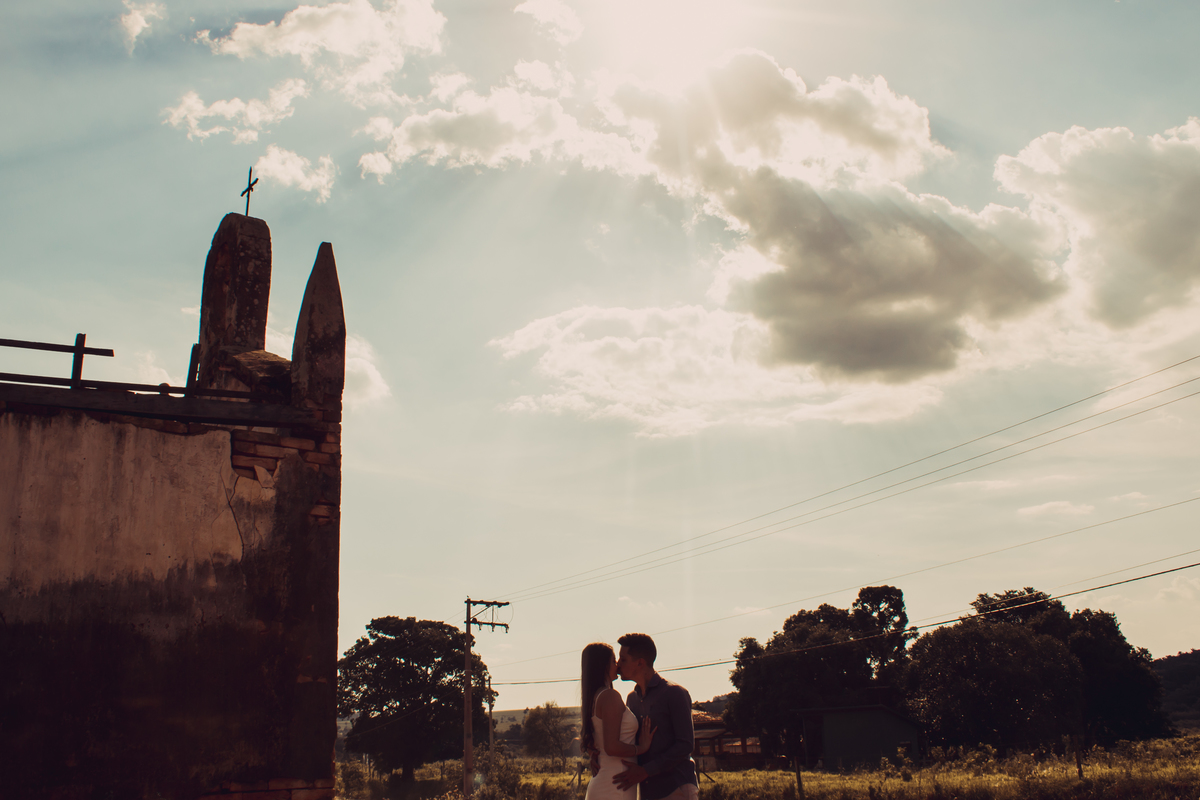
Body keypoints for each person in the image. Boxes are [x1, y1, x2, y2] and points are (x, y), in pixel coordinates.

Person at [613, 633, 698, 800]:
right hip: (647, 791)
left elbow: (685, 744)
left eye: (623, 660)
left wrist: (646, 771)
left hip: (676, 787)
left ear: (640, 663)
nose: (618, 664)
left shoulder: (674, 693)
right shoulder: (631, 699)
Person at [581, 642, 656, 800]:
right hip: (615, 784)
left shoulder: (595, 697)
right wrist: (640, 748)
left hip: (612, 781)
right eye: (614, 660)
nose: (617, 664)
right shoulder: (609, 696)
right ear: (604, 665)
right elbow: (612, 747)